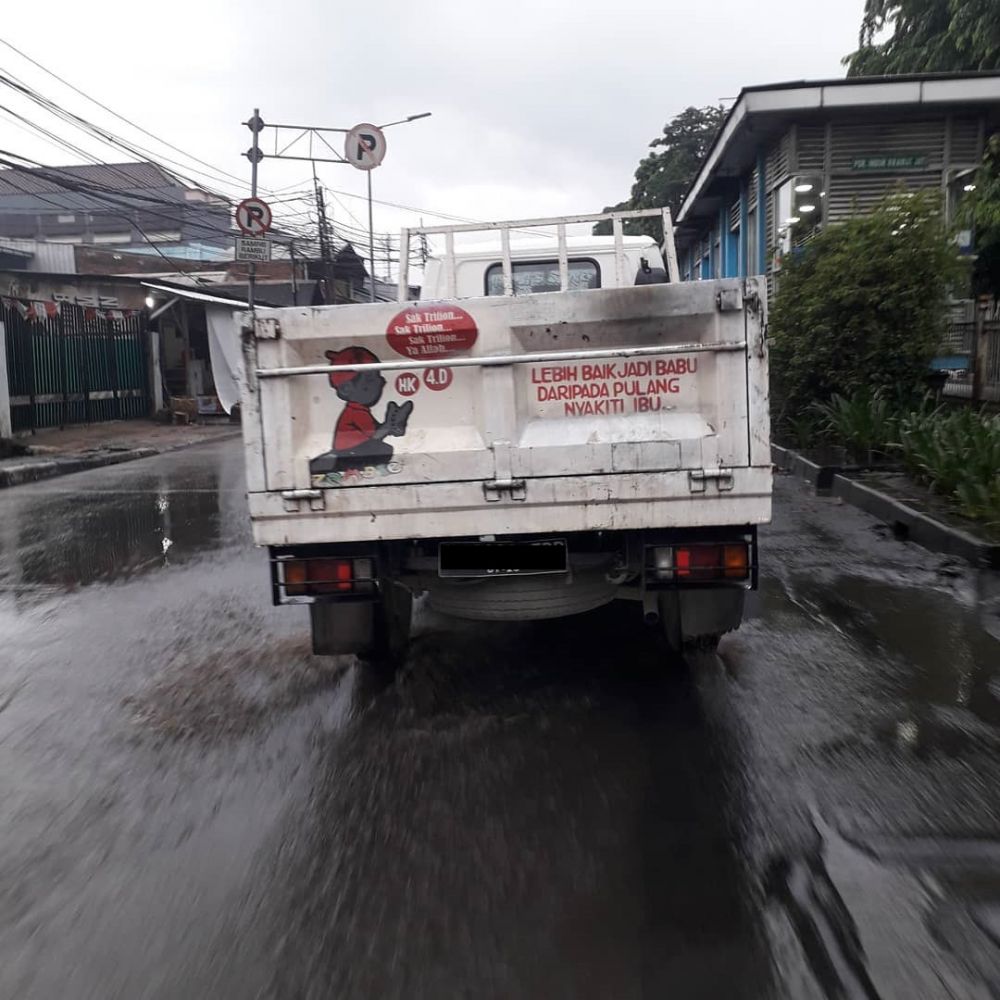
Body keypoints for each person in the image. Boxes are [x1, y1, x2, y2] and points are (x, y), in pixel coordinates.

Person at [310, 346, 413, 475]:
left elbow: (374, 432)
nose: (380, 383)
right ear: (346, 389)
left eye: (379, 377)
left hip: (352, 451)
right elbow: (375, 435)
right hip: (348, 453)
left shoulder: (359, 409)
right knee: (382, 450)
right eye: (370, 379)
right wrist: (388, 426)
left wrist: (389, 426)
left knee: (381, 449)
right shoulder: (356, 412)